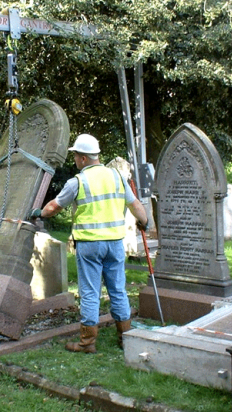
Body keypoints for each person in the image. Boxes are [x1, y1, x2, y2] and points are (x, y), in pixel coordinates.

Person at [28, 134, 148, 354]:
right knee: (118, 290)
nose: (74, 159)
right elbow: (136, 205)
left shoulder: (78, 182)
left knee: (91, 293)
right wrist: (145, 222)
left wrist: (39, 213)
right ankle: (125, 338)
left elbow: (54, 207)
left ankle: (87, 343)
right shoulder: (117, 177)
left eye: (75, 156)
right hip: (114, 243)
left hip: (90, 245)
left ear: (83, 158)